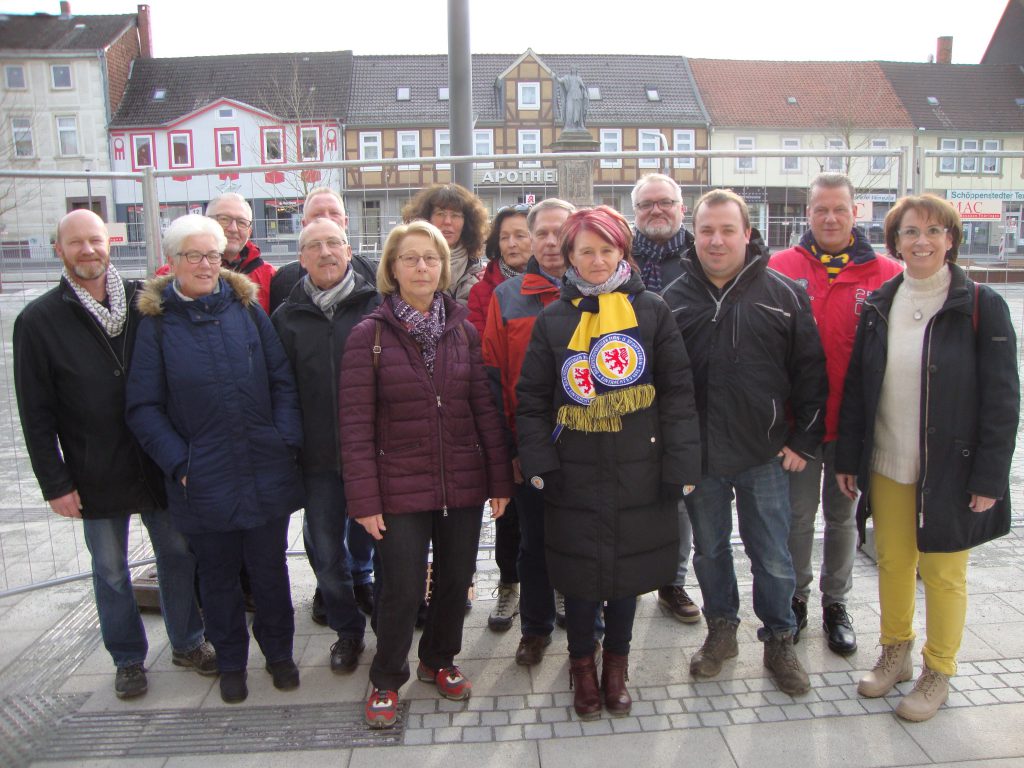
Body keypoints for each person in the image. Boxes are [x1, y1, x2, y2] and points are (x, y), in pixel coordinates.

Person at [13, 210, 214, 701]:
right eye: (76, 243)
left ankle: (188, 642)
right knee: (109, 569)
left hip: (154, 459)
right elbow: (34, 413)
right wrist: (55, 483)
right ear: (59, 249)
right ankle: (127, 657)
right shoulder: (39, 321)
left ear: (110, 244)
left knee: (177, 554)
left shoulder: (149, 299)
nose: (88, 251)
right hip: (93, 466)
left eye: (95, 241)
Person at [836, 194, 1019, 722]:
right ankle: (896, 650)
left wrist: (990, 476)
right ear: (895, 241)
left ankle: (939, 668)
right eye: (911, 232)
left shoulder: (980, 305)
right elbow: (858, 390)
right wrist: (849, 457)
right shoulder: (880, 303)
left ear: (951, 239)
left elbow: (1004, 400)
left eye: (934, 231)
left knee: (942, 572)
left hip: (951, 468)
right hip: (888, 461)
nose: (922, 241)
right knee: (893, 561)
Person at [515, 206, 701, 720]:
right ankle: (581, 665)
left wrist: (681, 466)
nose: (597, 261)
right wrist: (540, 463)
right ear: (569, 256)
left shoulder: (654, 311)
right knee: (577, 576)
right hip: (572, 471)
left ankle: (616, 666)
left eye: (607, 250)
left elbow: (678, 394)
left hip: (640, 468)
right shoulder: (554, 317)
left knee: (625, 574)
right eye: (585, 251)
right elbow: (531, 399)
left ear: (624, 251)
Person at [339, 220, 513, 729]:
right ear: (392, 268)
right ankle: (386, 677)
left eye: (431, 258)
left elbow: (483, 407)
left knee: (457, 579)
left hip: (460, 480)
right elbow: (354, 426)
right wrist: (364, 500)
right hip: (398, 485)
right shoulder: (368, 336)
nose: (421, 267)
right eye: (410, 258)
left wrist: (499, 481)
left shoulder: (462, 329)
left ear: (444, 267)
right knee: (402, 586)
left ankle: (439, 659)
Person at [125, 214, 306, 705]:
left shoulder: (246, 309)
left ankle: (280, 655)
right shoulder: (158, 323)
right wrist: (181, 464)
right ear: (174, 262)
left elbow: (281, 381)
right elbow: (143, 407)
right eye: (193, 256)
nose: (206, 264)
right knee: (218, 578)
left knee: (270, 571)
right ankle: (231, 662)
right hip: (201, 477)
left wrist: (284, 439)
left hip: (263, 466)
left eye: (212, 254)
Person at [662, 189, 827, 696]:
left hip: (764, 454)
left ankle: (780, 638)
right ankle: (721, 632)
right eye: (706, 230)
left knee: (773, 555)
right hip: (701, 458)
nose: (716, 240)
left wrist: (804, 439)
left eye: (727, 229)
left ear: (748, 234)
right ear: (694, 234)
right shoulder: (671, 299)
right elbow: (660, 387)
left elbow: (811, 374)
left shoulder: (784, 294)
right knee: (709, 552)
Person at [769, 173, 903, 656]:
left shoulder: (887, 274)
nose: (830, 218)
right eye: (821, 209)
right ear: (808, 213)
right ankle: (797, 597)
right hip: (797, 430)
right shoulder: (780, 268)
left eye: (839, 209)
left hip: (853, 428)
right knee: (798, 519)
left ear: (855, 212)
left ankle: (836, 603)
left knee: (843, 520)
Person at [272, 217, 381, 674]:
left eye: (333, 243)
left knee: (374, 542)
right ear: (301, 259)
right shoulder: (286, 318)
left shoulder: (377, 305)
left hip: (373, 454)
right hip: (316, 458)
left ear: (349, 248)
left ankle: (378, 605)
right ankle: (347, 630)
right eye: (313, 247)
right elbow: (279, 388)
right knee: (323, 547)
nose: (325, 253)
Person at [482, 198, 577, 663]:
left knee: (584, 540)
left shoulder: (605, 292)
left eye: (560, 231)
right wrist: (508, 448)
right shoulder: (509, 296)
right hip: (532, 443)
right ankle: (535, 629)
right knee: (533, 543)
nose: (550, 241)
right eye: (541, 233)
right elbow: (494, 378)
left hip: (591, 444)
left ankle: (586, 629)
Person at [631, 172, 700, 624]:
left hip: (686, 394)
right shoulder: (620, 257)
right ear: (634, 213)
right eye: (646, 205)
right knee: (632, 492)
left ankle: (672, 582)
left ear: (681, 207)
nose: (656, 211)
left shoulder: (702, 257)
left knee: (680, 495)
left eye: (665, 203)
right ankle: (630, 577)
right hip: (630, 395)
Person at [469, 203, 533, 632]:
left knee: (554, 512)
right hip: (503, 413)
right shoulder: (484, 292)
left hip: (550, 420)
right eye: (506, 236)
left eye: (522, 235)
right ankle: (509, 584)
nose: (513, 243)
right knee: (507, 513)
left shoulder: (559, 284)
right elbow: (482, 359)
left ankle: (558, 586)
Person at [268, 187, 377, 314]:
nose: (327, 219)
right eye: (318, 215)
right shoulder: (285, 281)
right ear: (304, 224)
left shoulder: (373, 273)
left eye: (334, 213)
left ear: (346, 222)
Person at [401, 183, 488, 304]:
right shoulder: (409, 267)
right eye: (440, 214)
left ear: (467, 222)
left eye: (455, 215)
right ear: (426, 218)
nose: (447, 222)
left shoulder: (480, 272)